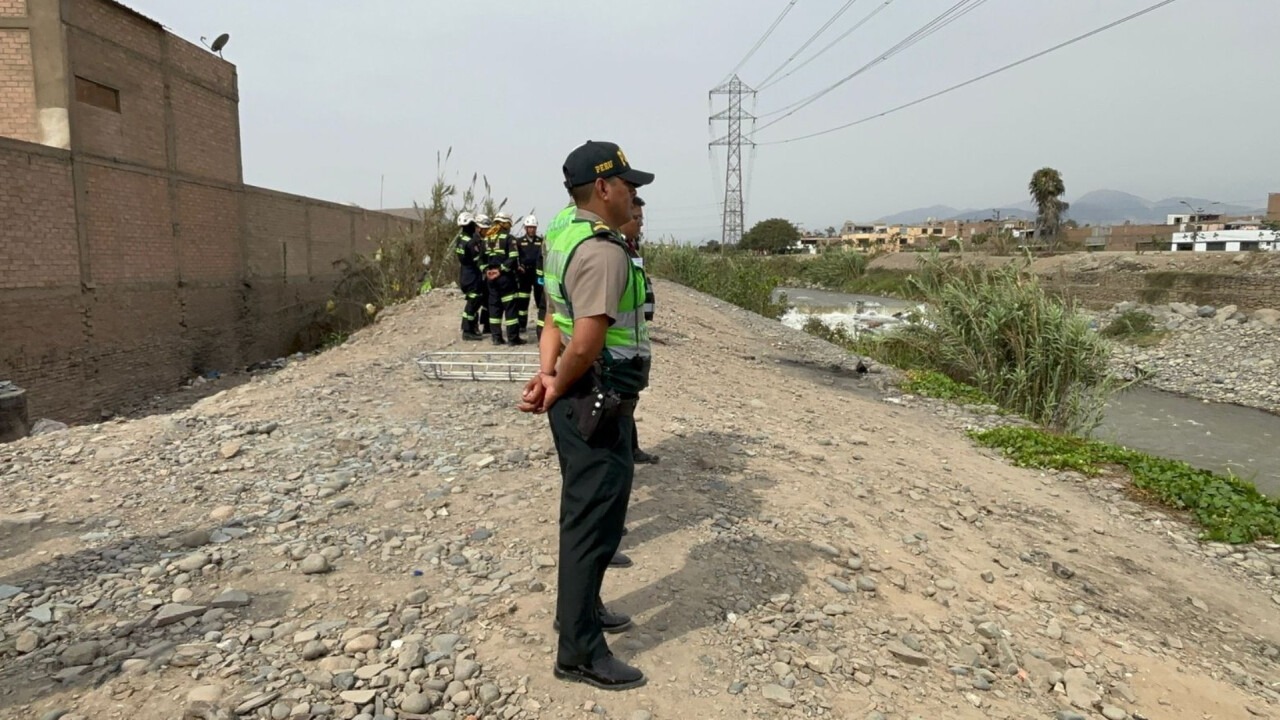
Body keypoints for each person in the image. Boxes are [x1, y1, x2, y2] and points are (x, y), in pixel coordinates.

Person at [517, 140, 654, 691]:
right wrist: (559, 379)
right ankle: (578, 651)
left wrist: (548, 375)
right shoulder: (603, 250)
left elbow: (554, 318)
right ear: (602, 188)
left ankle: (582, 611)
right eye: (627, 185)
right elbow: (588, 339)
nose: (633, 194)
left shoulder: (562, 234)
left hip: (578, 395)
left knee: (590, 515)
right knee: (593, 520)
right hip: (596, 398)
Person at [617, 197, 659, 465]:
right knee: (620, 403)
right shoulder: (614, 249)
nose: (641, 224)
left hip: (633, 338)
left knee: (628, 401)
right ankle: (624, 452)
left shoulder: (631, 247)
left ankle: (630, 448)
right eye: (637, 219)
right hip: (618, 344)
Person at [484, 212, 524, 345]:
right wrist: (500, 270)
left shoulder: (487, 238)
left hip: (490, 278)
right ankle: (513, 338)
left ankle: (496, 337)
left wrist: (487, 271)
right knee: (510, 307)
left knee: (494, 307)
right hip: (505, 278)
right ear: (505, 224)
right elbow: (512, 258)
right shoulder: (508, 238)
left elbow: (480, 259)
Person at [453, 212, 486, 341]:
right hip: (472, 276)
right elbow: (478, 260)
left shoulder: (460, 239)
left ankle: (470, 327)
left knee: (472, 302)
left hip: (464, 274)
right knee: (473, 303)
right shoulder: (471, 242)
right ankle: (468, 330)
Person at [515, 215, 543, 336]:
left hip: (537, 274)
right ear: (525, 228)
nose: (531, 230)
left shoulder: (540, 241)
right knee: (523, 301)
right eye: (529, 227)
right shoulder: (519, 242)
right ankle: (522, 325)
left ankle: (541, 325)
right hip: (524, 274)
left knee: (540, 300)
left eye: (533, 227)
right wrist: (518, 267)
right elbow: (515, 257)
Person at [473, 213, 493, 336]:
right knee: (475, 304)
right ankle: (473, 327)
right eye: (485, 229)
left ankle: (486, 326)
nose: (487, 231)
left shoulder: (484, 240)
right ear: (479, 228)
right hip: (476, 277)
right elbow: (477, 260)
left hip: (485, 276)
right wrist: (484, 269)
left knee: (487, 302)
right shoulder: (474, 242)